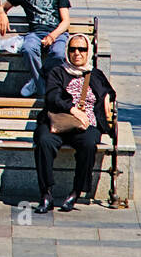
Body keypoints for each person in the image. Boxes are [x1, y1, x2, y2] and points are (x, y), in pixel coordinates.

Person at [33, 35, 116, 213]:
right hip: (58, 122)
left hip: (85, 125)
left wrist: (108, 98)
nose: (77, 53)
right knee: (44, 142)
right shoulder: (57, 72)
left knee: (88, 144)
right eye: (72, 49)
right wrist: (73, 109)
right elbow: (52, 97)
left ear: (89, 52)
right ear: (67, 52)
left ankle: (75, 192)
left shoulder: (96, 75)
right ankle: (46, 193)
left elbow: (109, 91)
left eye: (82, 49)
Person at [0, 0, 72, 97]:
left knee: (58, 54)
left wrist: (52, 36)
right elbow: (2, 7)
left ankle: (37, 80)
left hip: (57, 33)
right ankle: (43, 89)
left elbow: (66, 21)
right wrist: (2, 14)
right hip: (35, 33)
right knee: (28, 49)